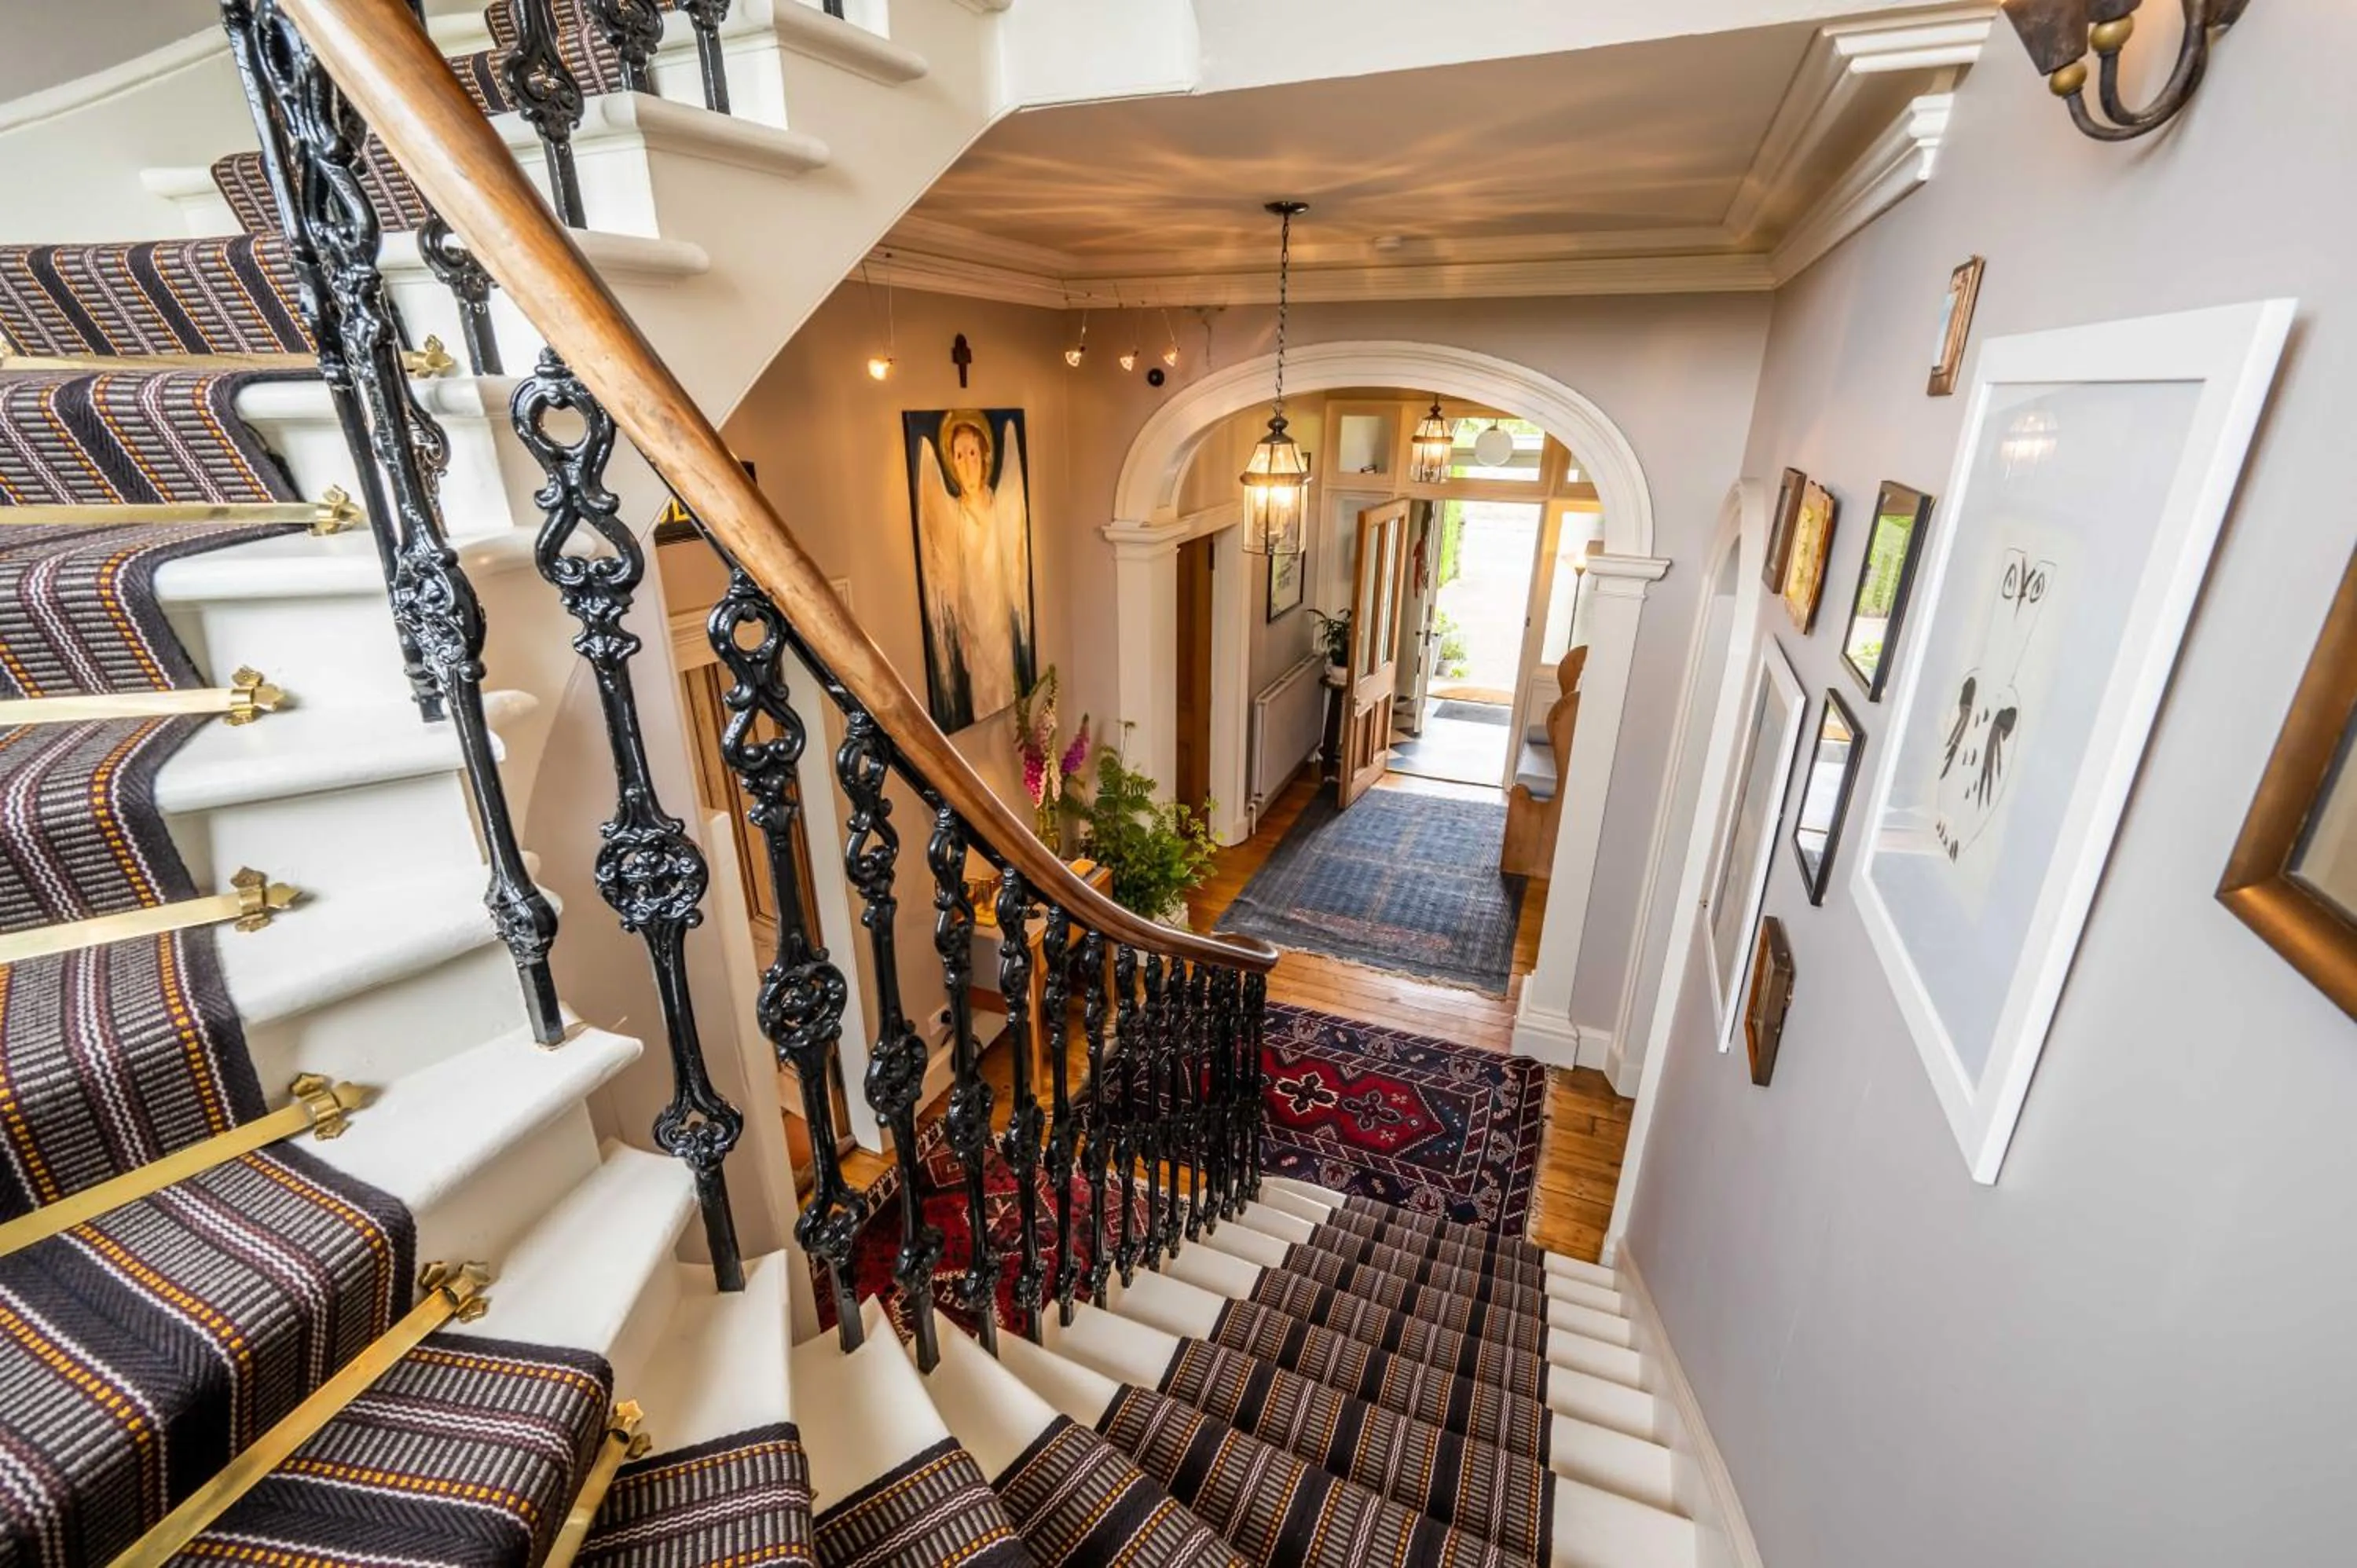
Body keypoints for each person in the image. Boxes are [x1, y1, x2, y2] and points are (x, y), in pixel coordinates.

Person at [915, 410, 1033, 728]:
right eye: (958, 455)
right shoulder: (954, 519)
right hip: (974, 636)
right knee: (984, 706)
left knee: (1009, 703)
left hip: (1000, 632)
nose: (967, 463)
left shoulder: (1002, 508)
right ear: (951, 463)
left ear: (985, 455)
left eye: (972, 453)